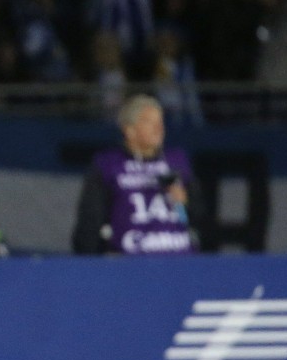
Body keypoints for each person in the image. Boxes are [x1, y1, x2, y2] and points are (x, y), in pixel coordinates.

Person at [72, 94, 202, 255]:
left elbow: (201, 216)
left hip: (179, 260)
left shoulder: (177, 161)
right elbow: (89, 221)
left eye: (160, 122)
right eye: (149, 122)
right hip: (129, 264)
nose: (159, 128)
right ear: (130, 130)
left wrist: (186, 201)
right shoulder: (108, 164)